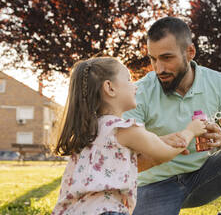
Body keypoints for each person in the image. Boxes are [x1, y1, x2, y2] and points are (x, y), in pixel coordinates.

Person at [122, 17, 221, 215]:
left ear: (190, 52)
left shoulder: (217, 82)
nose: (159, 69)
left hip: (201, 177)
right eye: (153, 59)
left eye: (167, 58)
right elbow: (128, 161)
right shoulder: (138, 92)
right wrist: (165, 146)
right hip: (154, 184)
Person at [52, 57, 207, 215]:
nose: (135, 87)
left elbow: (123, 152)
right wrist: (190, 131)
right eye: (129, 79)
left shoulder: (91, 131)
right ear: (110, 88)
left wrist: (162, 140)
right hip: (107, 210)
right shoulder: (124, 128)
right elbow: (163, 153)